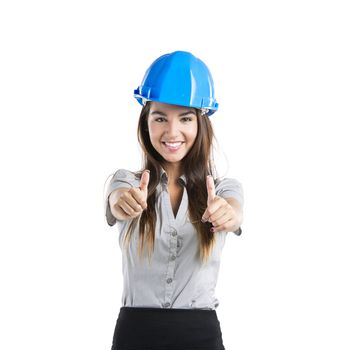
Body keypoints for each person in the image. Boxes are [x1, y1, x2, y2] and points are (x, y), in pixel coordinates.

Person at [104, 50, 244, 350]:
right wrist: (124, 202)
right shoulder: (126, 182)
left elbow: (234, 210)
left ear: (200, 123)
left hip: (201, 337)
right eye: (160, 118)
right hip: (135, 336)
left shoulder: (223, 189)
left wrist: (228, 215)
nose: (172, 131)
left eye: (185, 118)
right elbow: (117, 200)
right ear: (146, 123)